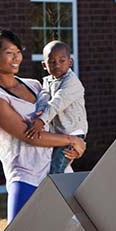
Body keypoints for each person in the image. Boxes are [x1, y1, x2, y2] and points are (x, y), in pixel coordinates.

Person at [0, 28, 86, 231]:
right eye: (8, 53)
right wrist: (71, 140)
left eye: (18, 53)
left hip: (56, 170)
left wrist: (77, 143)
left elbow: (59, 121)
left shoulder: (36, 85)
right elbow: (30, 136)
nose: (15, 59)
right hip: (25, 176)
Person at [24, 40, 88, 174]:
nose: (57, 65)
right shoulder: (48, 80)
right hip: (59, 134)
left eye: (62, 60)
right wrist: (40, 110)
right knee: (50, 165)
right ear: (44, 65)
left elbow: (57, 103)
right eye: (52, 62)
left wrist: (41, 121)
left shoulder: (72, 82)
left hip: (73, 132)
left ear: (70, 62)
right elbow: (44, 95)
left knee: (56, 169)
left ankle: (53, 192)